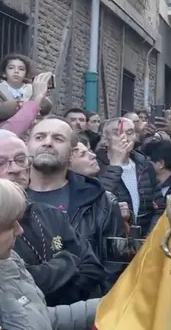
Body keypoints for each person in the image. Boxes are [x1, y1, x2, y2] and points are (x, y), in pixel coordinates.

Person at [24, 118, 124, 284]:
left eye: (58, 139)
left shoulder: (101, 201)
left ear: (71, 152)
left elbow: (115, 266)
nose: (48, 143)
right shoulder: (8, 199)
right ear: (28, 145)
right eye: (40, 137)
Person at [0, 177, 101, 330]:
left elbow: (38, 318)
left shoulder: (10, 262)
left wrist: (108, 304)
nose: (20, 231)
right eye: (9, 225)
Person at [95, 117, 158, 237]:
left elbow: (157, 204)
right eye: (116, 133)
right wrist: (115, 162)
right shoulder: (96, 166)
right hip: (111, 239)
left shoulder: (145, 165)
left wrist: (150, 236)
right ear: (105, 140)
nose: (124, 138)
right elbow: (98, 202)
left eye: (129, 133)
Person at [0, 54, 54, 123]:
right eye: (11, 68)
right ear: (4, 73)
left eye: (21, 69)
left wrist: (42, 96)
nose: (16, 71)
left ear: (26, 74)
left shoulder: (32, 88)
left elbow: (46, 109)